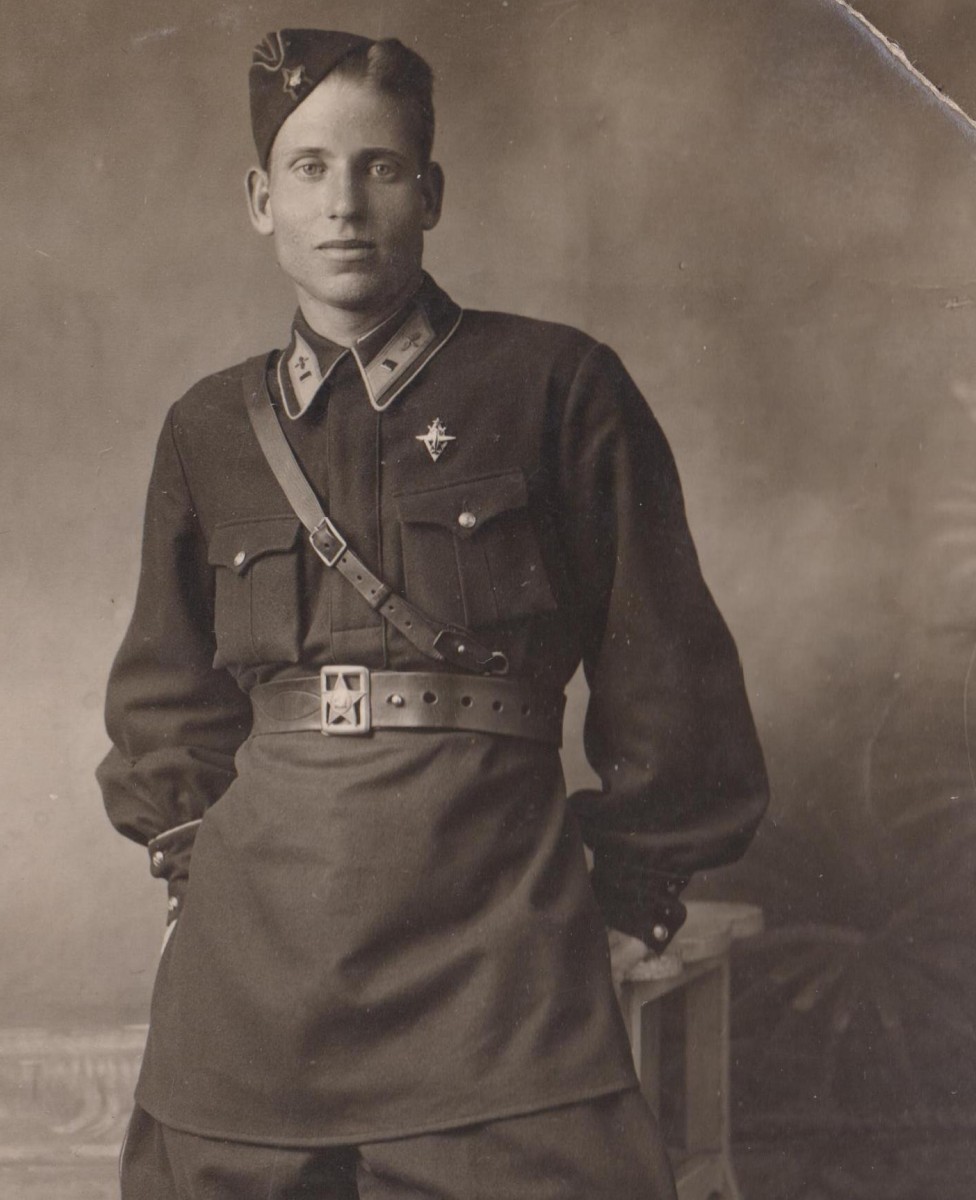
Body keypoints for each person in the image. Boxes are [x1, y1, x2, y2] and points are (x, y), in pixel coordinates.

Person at [99, 27, 768, 1200]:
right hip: (257, 954)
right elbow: (167, 695)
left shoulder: (557, 386)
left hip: (497, 942)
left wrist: (627, 896)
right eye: (308, 168)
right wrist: (190, 872)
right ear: (261, 201)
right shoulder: (208, 429)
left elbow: (665, 665)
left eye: (381, 167)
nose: (344, 203)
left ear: (433, 192)